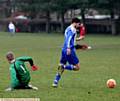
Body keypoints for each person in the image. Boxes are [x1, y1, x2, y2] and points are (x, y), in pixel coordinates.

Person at [52, 18, 80, 87]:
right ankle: (64, 66)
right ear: (75, 23)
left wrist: (77, 39)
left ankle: (55, 82)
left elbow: (69, 38)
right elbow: (69, 38)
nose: (79, 26)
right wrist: (68, 48)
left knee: (61, 65)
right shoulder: (72, 29)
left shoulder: (68, 28)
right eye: (78, 24)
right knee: (77, 67)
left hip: (63, 49)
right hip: (69, 50)